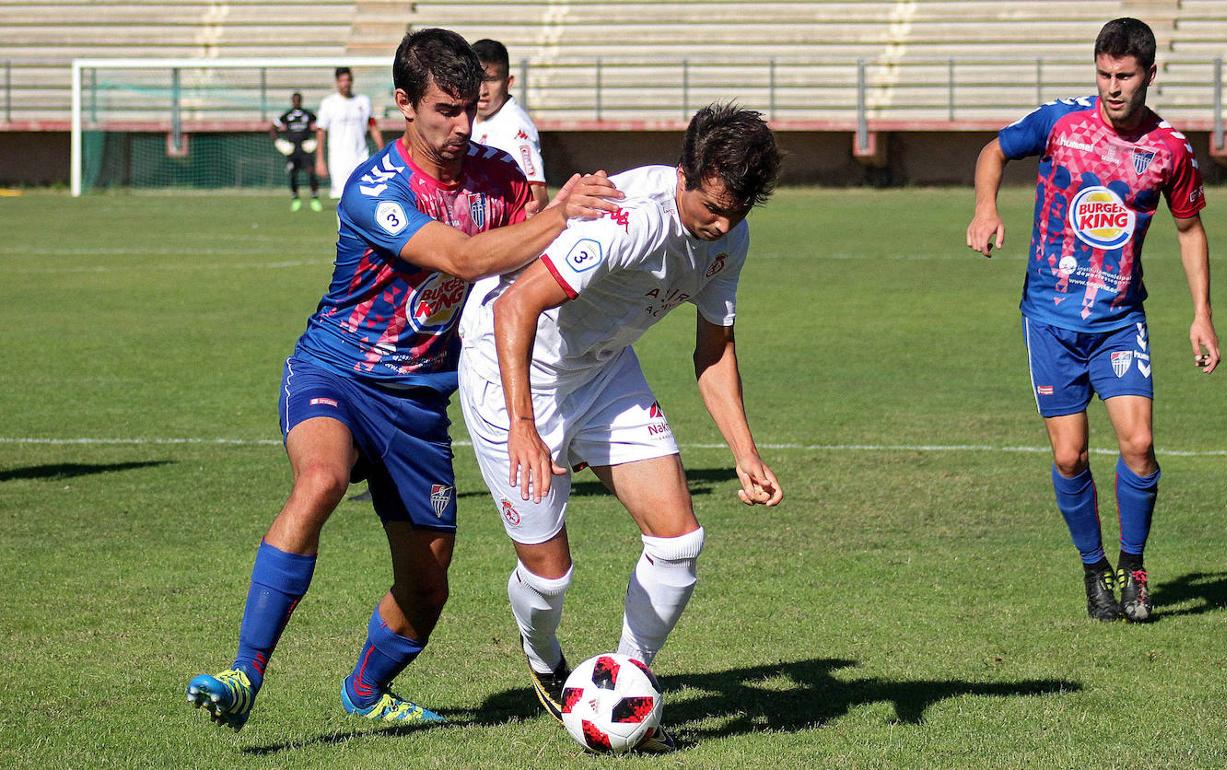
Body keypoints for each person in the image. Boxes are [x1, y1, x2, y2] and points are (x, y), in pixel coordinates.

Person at [185, 27, 621, 731]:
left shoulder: (500, 177)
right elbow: (466, 257)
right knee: (320, 480)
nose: (459, 126)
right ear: (403, 104)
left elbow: (534, 269)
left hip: (419, 398)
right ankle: (244, 672)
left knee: (427, 586)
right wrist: (557, 215)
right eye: (444, 110)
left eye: (469, 110)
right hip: (336, 370)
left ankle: (366, 689)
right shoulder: (373, 189)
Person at [457, 103, 783, 751]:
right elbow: (517, 305)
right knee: (550, 577)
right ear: (686, 173)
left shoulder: (730, 237)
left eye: (736, 213)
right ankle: (543, 653)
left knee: (679, 542)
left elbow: (714, 348)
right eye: (712, 208)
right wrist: (525, 425)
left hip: (603, 371)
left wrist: (744, 451)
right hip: (515, 368)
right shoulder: (624, 219)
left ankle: (627, 677)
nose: (721, 226)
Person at [966, 17, 1220, 623]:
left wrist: (1201, 314)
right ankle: (1093, 569)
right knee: (1070, 458)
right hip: (1050, 318)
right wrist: (984, 209)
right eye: (1104, 74)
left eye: (1125, 76)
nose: (1112, 87)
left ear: (1149, 76)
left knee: (1139, 444)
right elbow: (994, 151)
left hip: (1118, 320)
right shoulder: (1060, 122)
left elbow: (1190, 230)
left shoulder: (1170, 151)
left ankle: (1134, 569)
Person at [470, 39, 548, 213]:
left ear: (508, 82)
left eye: (492, 80)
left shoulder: (514, 127)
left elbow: (537, 196)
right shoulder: (470, 116)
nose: (482, 90)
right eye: (477, 80)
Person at [316, 67, 385, 199]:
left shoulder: (363, 101)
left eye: (348, 80)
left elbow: (372, 125)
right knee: (343, 198)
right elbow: (320, 131)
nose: (345, 83)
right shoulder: (329, 103)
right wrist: (320, 160)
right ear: (337, 82)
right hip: (338, 160)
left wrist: (382, 149)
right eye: (342, 80)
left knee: (365, 196)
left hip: (361, 156)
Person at [269, 92, 322, 212]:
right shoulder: (287, 115)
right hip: (292, 151)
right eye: (294, 100)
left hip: (305, 149)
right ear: (292, 101)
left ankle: (315, 199)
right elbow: (272, 128)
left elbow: (321, 125)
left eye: (298, 100)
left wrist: (316, 141)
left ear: (301, 101)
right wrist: (278, 142)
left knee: (311, 172)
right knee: (293, 174)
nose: (296, 102)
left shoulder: (308, 114)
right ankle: (295, 199)